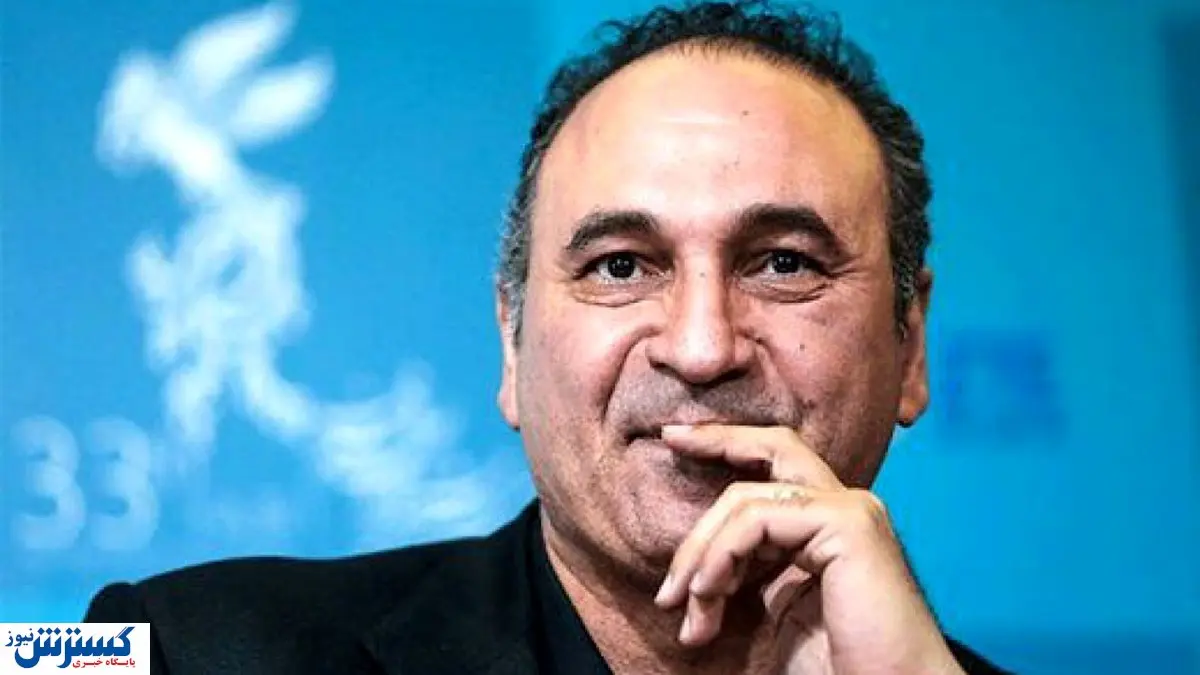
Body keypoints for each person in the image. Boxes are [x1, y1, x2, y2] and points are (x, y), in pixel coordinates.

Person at [84, 1, 1014, 673]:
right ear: (512, 341)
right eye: (621, 265)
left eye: (782, 263)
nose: (701, 348)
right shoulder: (167, 642)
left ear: (911, 345)